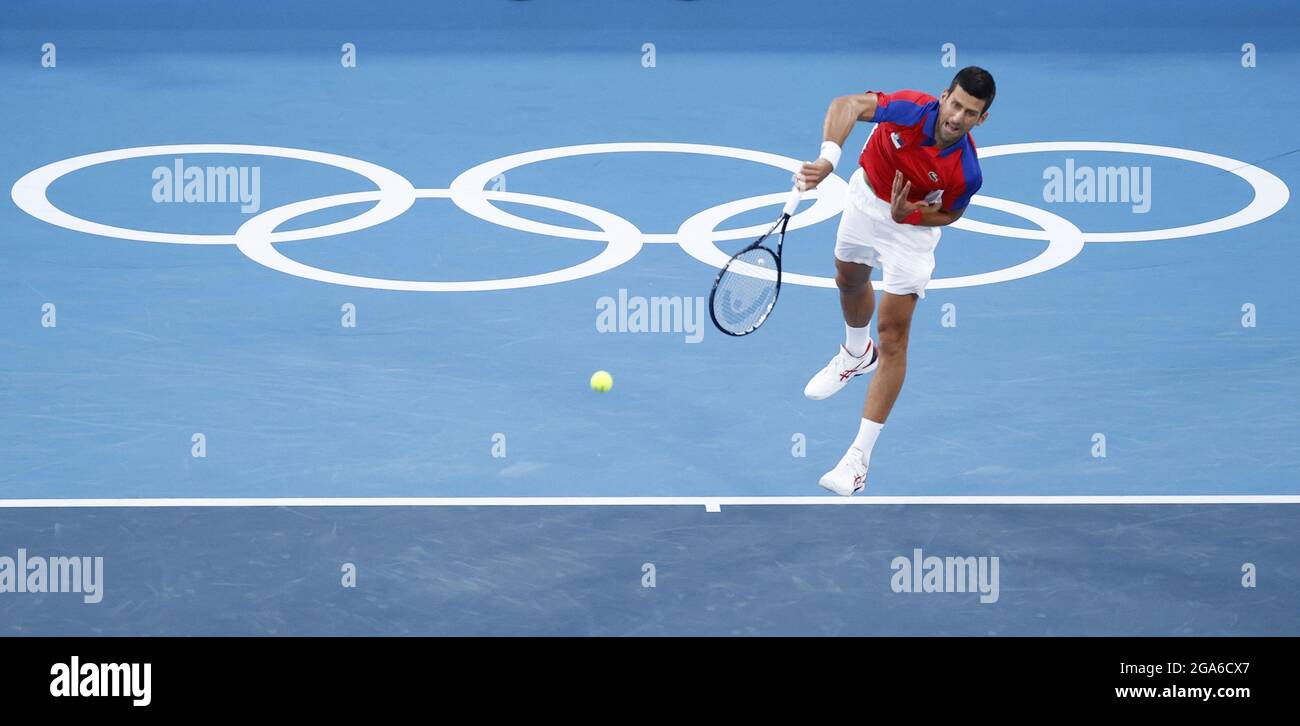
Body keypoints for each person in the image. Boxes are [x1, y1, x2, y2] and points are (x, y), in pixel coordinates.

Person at [796, 66, 995, 495]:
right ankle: (854, 353)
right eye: (955, 104)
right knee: (847, 280)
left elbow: (953, 212)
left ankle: (857, 462)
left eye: (971, 112)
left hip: (911, 233)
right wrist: (829, 159)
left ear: (983, 118)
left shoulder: (967, 171)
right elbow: (845, 104)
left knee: (894, 335)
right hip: (866, 195)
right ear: (944, 97)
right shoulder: (909, 109)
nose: (958, 116)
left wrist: (914, 215)